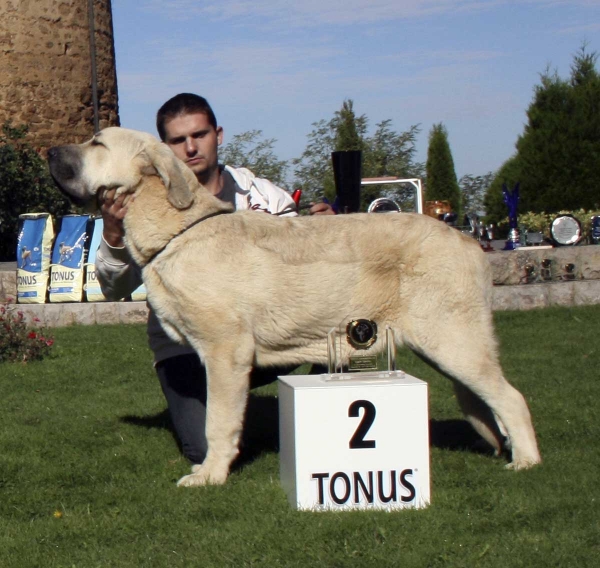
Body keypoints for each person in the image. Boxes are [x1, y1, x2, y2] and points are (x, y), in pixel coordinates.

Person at [95, 93, 333, 466]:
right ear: (164, 149)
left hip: (261, 337)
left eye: (199, 134)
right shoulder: (139, 199)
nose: (190, 147)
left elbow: (300, 261)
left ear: (218, 135)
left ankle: (324, 427)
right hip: (185, 351)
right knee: (201, 452)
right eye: (177, 140)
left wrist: (322, 230)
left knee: (349, 334)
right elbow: (114, 289)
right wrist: (113, 232)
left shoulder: (261, 195)